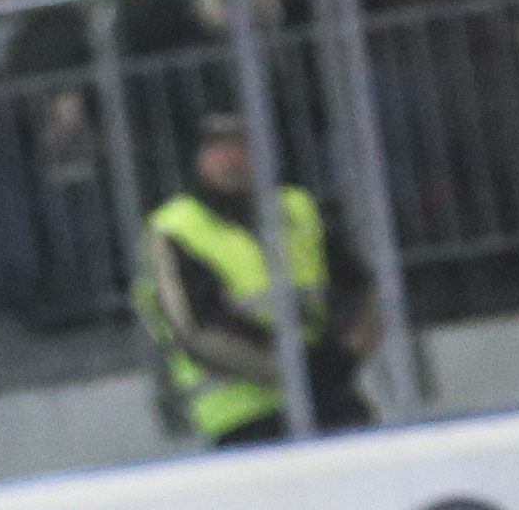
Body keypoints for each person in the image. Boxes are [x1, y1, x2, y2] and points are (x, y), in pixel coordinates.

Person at [140, 111, 378, 446]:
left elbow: (358, 290)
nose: (232, 158)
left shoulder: (299, 207)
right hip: (241, 412)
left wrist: (343, 355)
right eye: (217, 148)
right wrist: (296, 368)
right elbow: (197, 328)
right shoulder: (175, 228)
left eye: (242, 145)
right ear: (198, 158)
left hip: (329, 395)